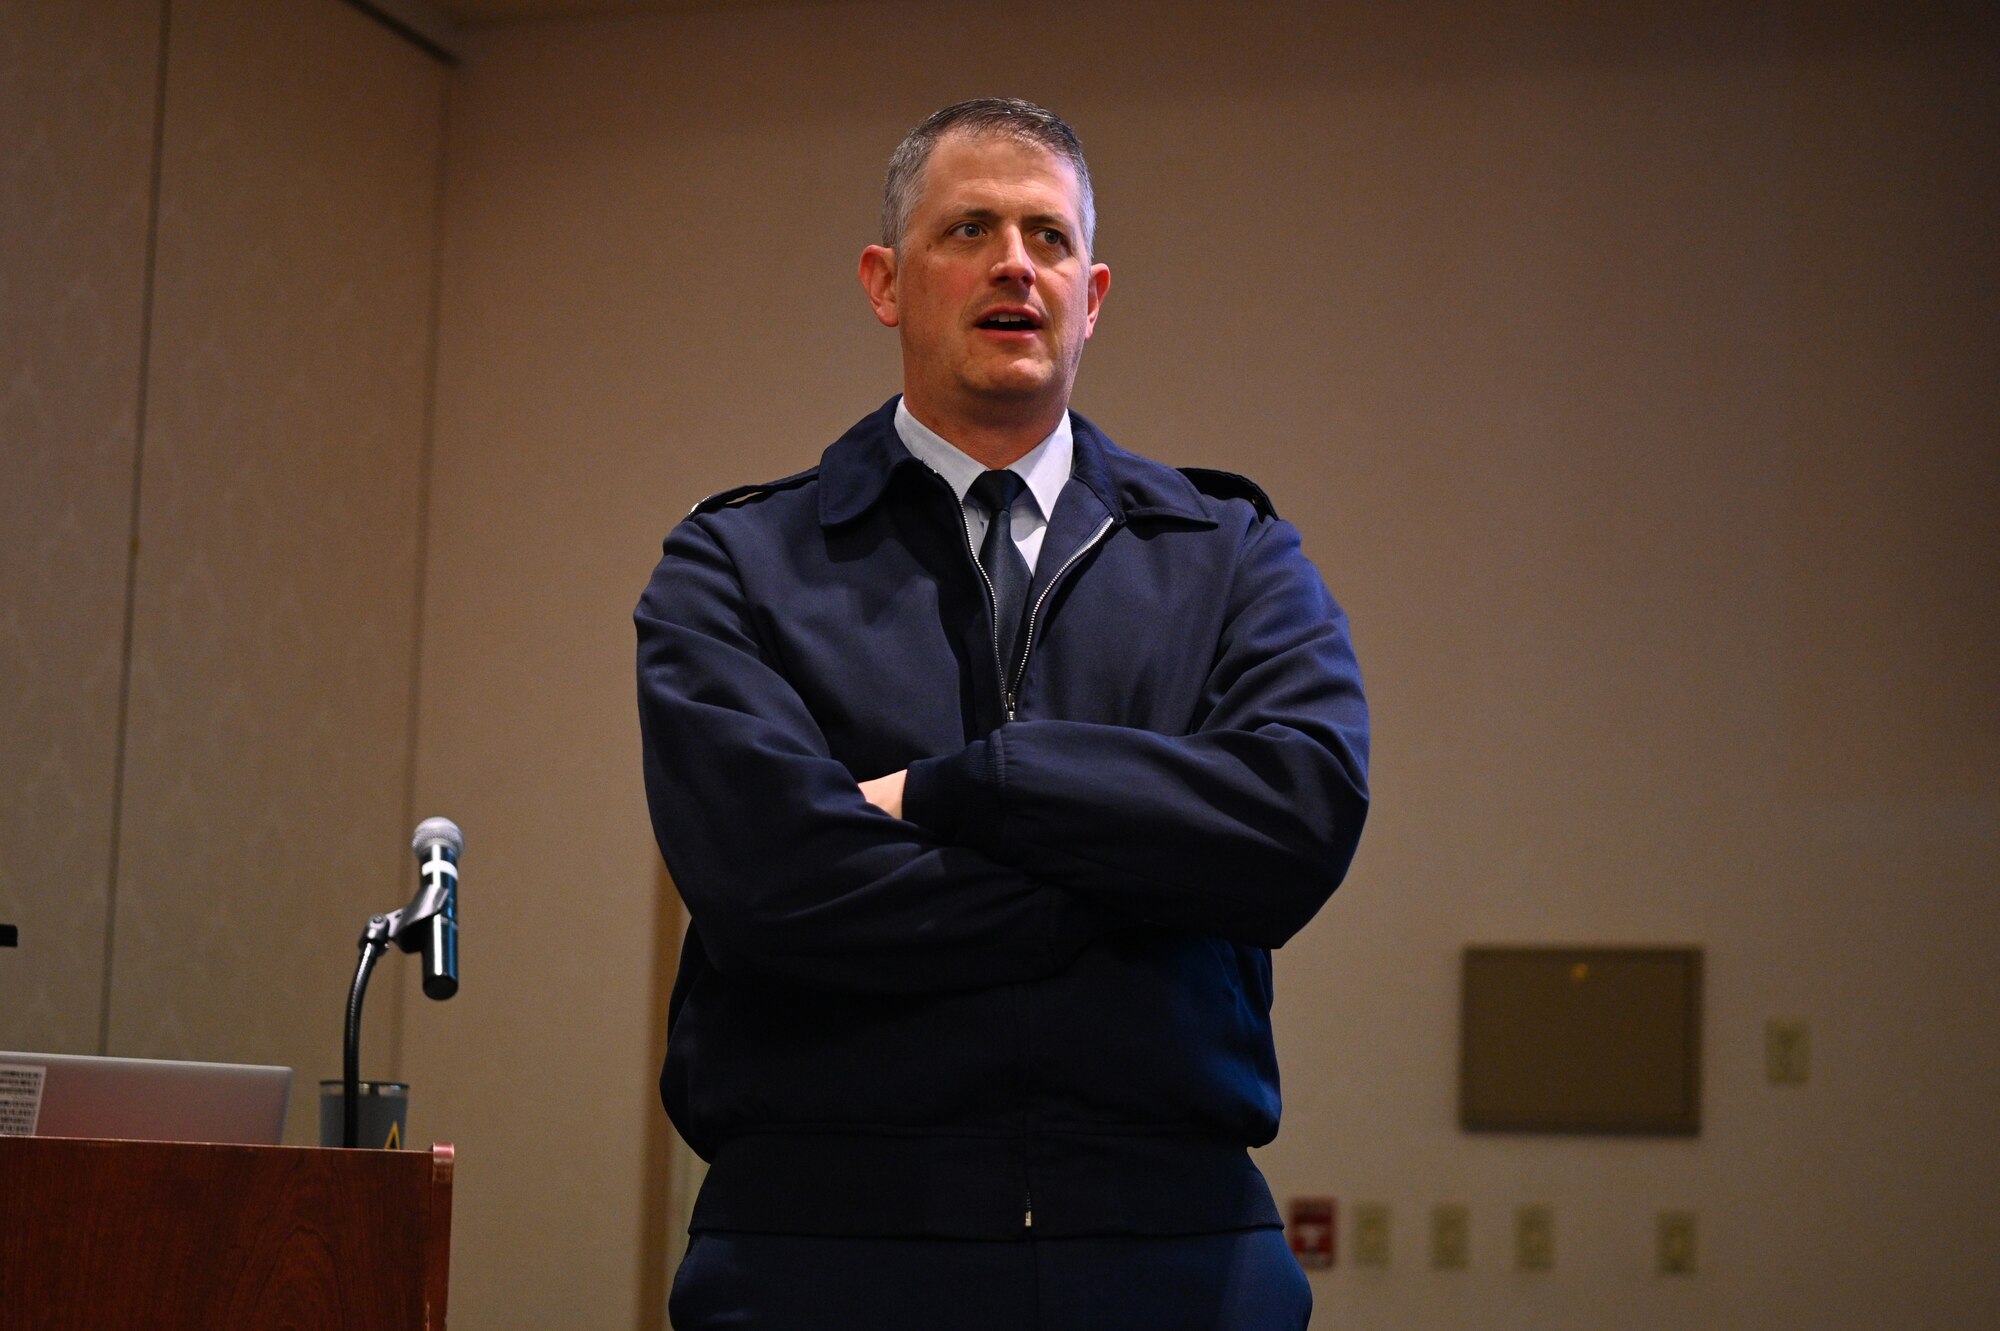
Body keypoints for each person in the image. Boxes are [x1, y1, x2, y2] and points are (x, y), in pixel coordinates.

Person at [636, 98, 1369, 1331]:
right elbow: (770, 881)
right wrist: (1142, 881)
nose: (1012, 263)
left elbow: (1295, 822)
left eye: (1044, 235)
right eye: (967, 229)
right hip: (821, 1252)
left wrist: (960, 790)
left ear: (1092, 291)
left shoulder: (1230, 552)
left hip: (1176, 1254)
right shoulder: (736, 563)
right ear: (885, 281)